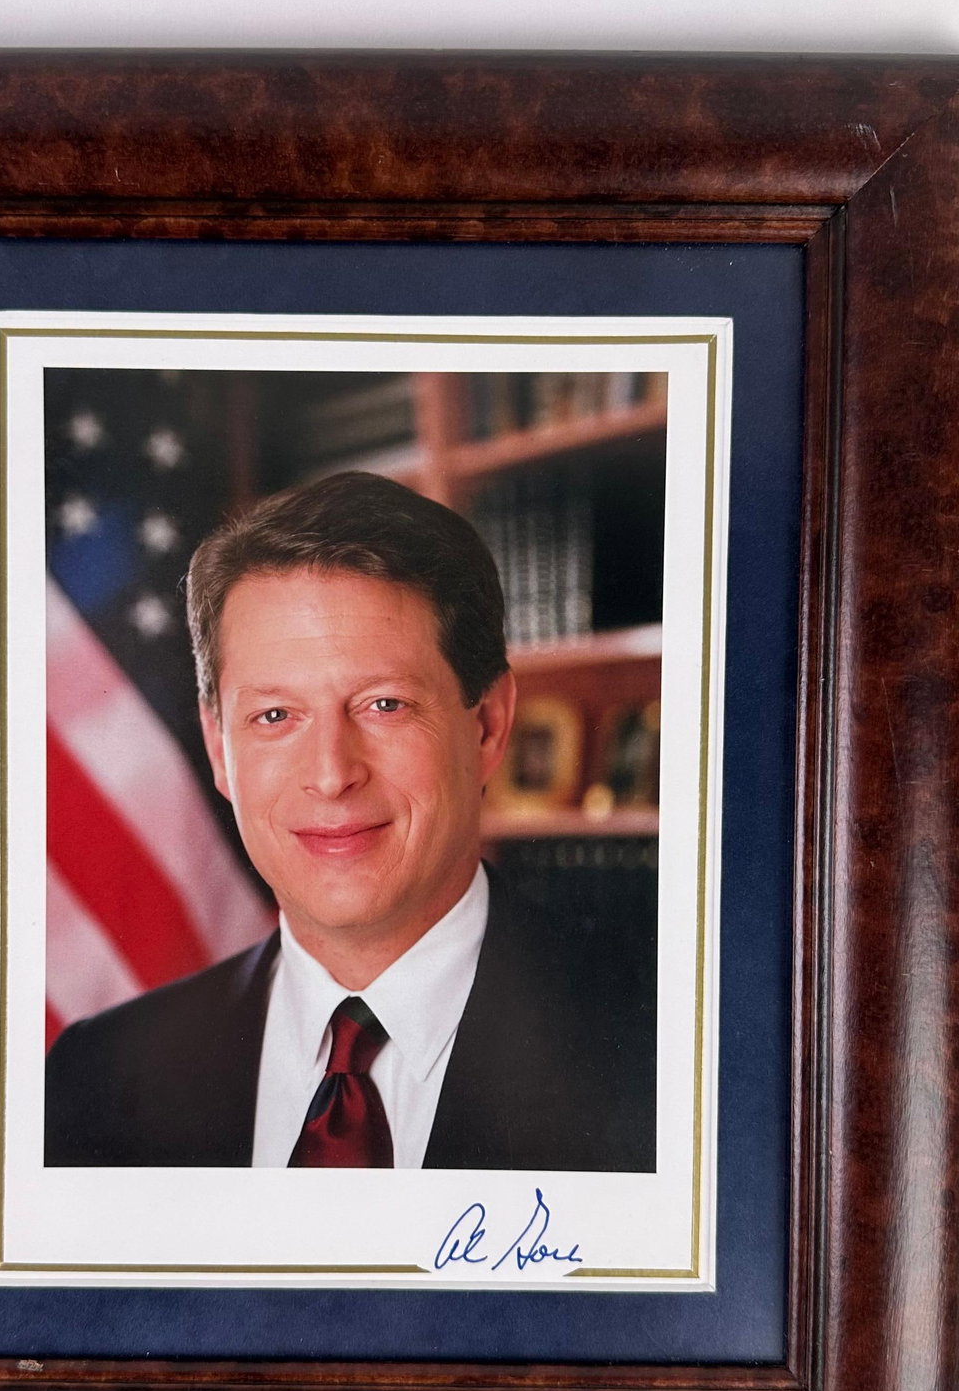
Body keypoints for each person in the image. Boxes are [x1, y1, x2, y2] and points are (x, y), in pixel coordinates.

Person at [44, 471, 654, 1171]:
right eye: (275, 716)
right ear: (219, 748)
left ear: (487, 725)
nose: (332, 775)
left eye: (384, 705)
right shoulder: (95, 1080)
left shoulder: (664, 1050)